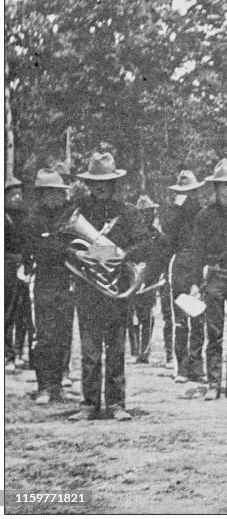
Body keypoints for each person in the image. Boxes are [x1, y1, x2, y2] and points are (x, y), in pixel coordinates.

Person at [67, 152, 148, 422]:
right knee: (89, 350)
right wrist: (76, 255)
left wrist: (124, 255)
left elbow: (145, 243)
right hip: (89, 288)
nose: (100, 187)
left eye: (105, 182)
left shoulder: (127, 212)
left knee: (116, 349)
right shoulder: (78, 209)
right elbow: (61, 241)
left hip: (115, 288)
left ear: (114, 184)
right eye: (96, 182)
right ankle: (89, 404)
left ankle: (116, 403)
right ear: (89, 184)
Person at [192, 159, 227, 400]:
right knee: (213, 333)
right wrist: (196, 281)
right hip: (215, 276)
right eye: (225, 185)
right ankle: (214, 384)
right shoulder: (204, 216)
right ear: (215, 188)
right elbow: (196, 252)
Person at [23, 169, 73, 404]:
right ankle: (44, 385)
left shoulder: (68, 216)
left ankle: (58, 384)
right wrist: (63, 248)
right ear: (42, 195)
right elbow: (41, 250)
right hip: (44, 282)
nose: (58, 198)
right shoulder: (32, 220)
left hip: (65, 281)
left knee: (63, 334)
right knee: (44, 335)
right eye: (52, 193)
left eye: (60, 193)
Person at [159, 170, 207, 381]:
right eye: (184, 192)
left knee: (198, 317)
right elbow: (166, 237)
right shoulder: (173, 213)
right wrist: (177, 206)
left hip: (199, 263)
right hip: (179, 264)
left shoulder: (203, 213)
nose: (189, 196)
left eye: (192, 191)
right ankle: (181, 367)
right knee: (180, 320)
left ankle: (196, 366)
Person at [127, 195, 161, 364]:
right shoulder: (131, 232)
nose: (147, 215)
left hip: (149, 276)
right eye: (143, 212)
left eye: (149, 212)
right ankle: (134, 350)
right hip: (131, 274)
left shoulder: (156, 234)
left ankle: (144, 351)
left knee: (146, 314)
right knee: (130, 313)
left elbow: (158, 256)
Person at [5, 176, 32, 370]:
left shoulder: (26, 217)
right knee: (7, 311)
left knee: (24, 312)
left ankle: (20, 352)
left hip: (24, 264)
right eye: (12, 193)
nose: (16, 197)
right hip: (6, 265)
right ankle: (8, 354)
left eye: (19, 193)